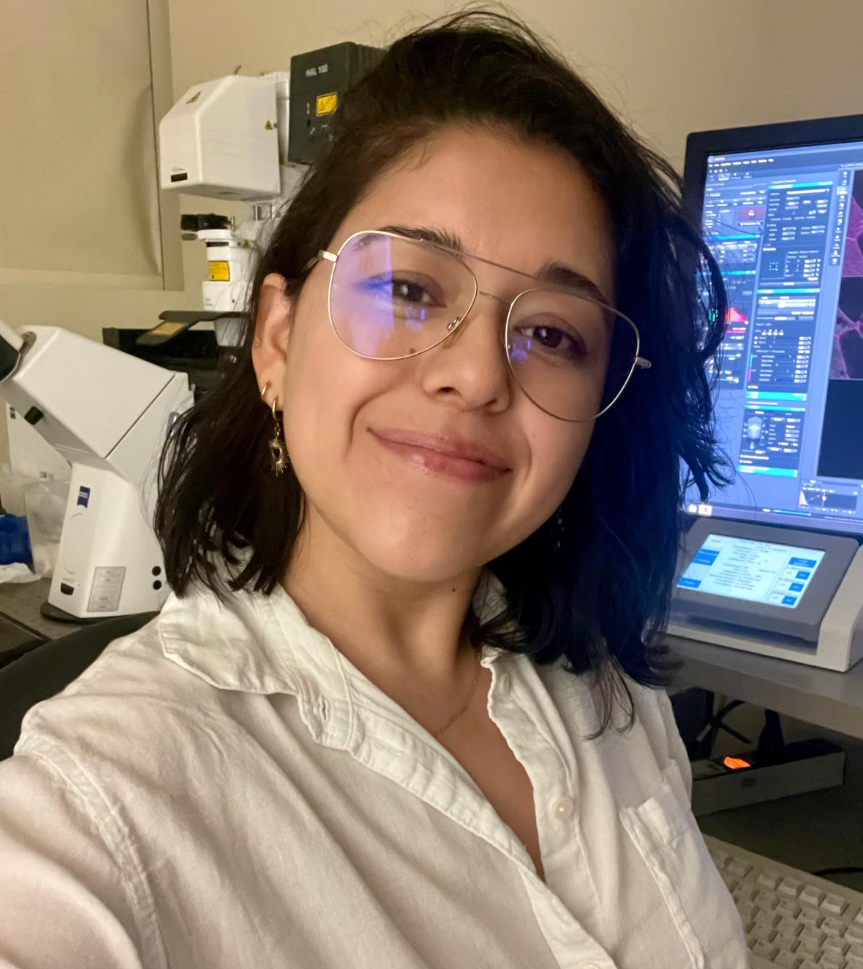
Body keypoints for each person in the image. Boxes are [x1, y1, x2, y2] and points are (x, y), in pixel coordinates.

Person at [0, 11, 748, 969]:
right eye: (406, 289)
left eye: (551, 334)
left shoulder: (608, 687)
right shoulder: (104, 801)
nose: (475, 375)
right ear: (276, 340)